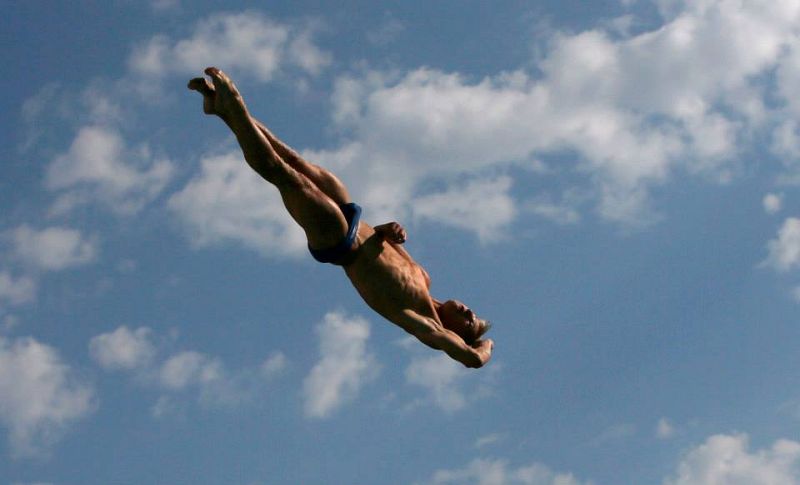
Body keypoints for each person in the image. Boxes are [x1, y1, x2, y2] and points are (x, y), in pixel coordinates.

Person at [189, 67, 494, 368]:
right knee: (294, 160)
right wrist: (390, 230)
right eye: (473, 313)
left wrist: (484, 346)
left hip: (339, 242)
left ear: (456, 333)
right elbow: (381, 236)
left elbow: (472, 359)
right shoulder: (423, 277)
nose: (469, 313)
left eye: (470, 324)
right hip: (353, 216)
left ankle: (236, 105)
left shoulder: (420, 320)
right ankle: (222, 111)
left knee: (284, 174)